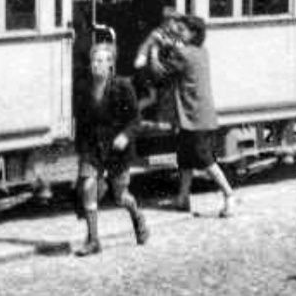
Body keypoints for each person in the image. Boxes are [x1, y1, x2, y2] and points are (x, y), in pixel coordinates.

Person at [153, 14, 235, 218]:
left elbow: (160, 72)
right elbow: (179, 51)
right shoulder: (201, 51)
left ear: (194, 33)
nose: (179, 32)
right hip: (199, 115)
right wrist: (171, 44)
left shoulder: (184, 54)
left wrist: (155, 50)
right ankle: (183, 197)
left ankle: (229, 195)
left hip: (194, 117)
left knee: (204, 159)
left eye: (183, 30)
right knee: (186, 158)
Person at [72, 40, 148, 256]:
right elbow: (82, 121)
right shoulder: (84, 87)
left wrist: (125, 135)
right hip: (93, 148)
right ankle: (93, 240)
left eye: (100, 61)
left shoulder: (123, 86)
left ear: (110, 65)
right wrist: (81, 151)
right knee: (88, 186)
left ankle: (137, 217)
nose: (96, 65)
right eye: (93, 61)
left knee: (120, 196)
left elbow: (136, 120)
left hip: (118, 151)